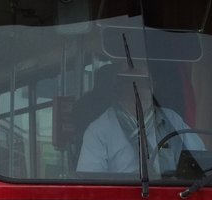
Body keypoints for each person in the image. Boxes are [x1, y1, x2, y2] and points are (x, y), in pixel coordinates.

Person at [76, 65, 204, 174]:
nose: (140, 89)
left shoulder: (171, 119)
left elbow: (200, 161)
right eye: (132, 83)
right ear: (119, 88)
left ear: (153, 86)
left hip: (171, 197)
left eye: (145, 83)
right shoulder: (99, 130)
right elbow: (90, 182)